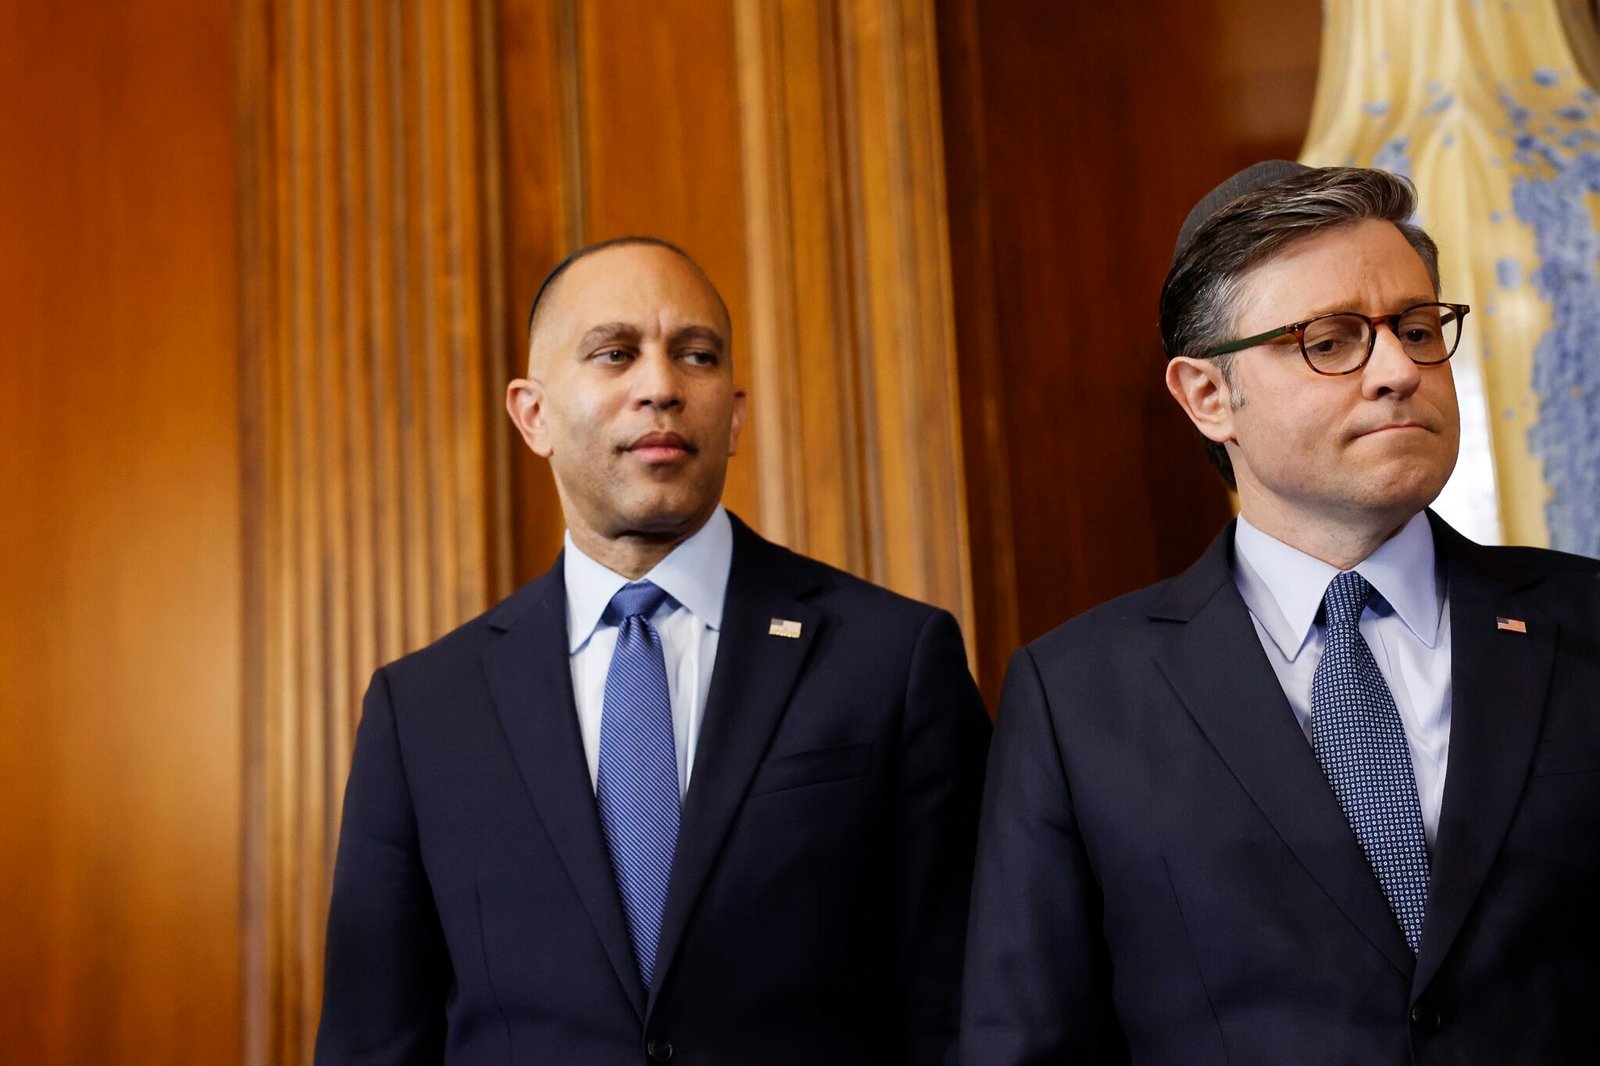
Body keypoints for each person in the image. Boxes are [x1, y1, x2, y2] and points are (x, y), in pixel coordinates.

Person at [958, 163, 1600, 1063]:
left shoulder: (1586, 622)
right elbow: (1028, 1039)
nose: (1397, 371)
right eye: (1331, 341)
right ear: (1208, 397)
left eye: (1417, 329)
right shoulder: (1077, 697)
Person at [315, 236, 991, 1065]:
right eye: (614, 354)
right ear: (533, 415)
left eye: (696, 356)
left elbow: (961, 1012)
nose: (662, 387)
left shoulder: (893, 659)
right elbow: (373, 1037)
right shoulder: (422, 710)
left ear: (735, 415)